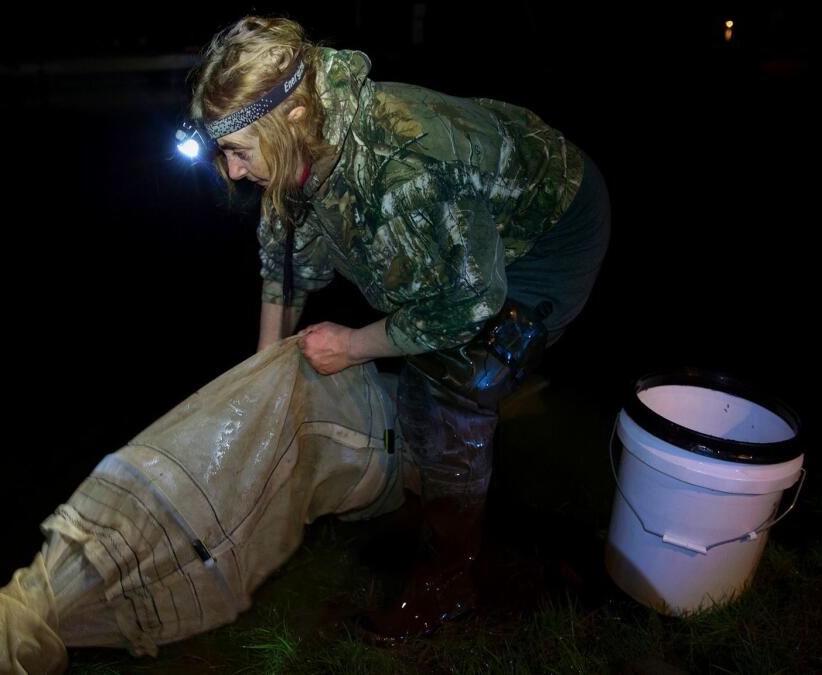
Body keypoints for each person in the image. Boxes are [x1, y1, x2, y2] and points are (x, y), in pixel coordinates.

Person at [186, 15, 610, 642]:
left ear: (294, 118)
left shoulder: (404, 169)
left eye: (239, 152)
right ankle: (436, 469)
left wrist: (353, 346)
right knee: (412, 324)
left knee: (450, 382)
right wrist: (263, 369)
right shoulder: (299, 144)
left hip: (548, 239)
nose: (230, 173)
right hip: (464, 233)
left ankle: (447, 584)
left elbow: (466, 301)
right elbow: (286, 255)